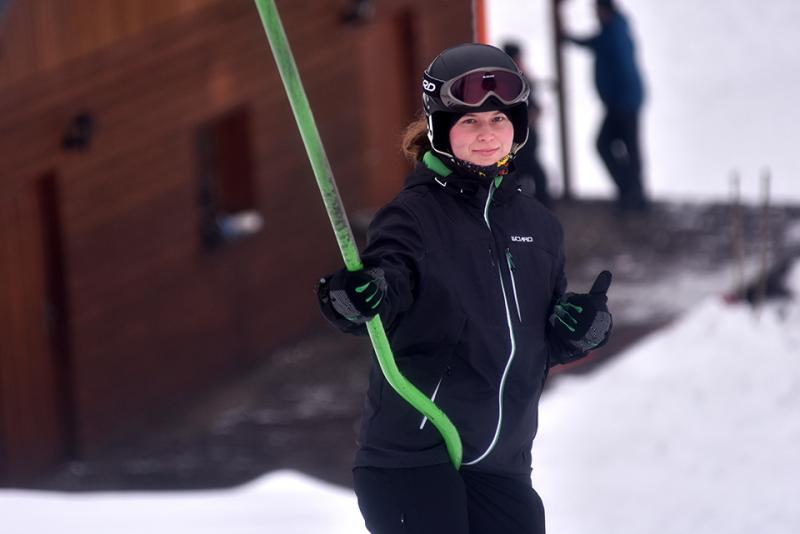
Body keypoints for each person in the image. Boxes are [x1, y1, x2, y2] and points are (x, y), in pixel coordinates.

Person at [316, 43, 613, 534]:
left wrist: (578, 329)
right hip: (415, 459)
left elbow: (536, 335)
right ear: (439, 128)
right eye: (469, 121)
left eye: (498, 119)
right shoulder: (413, 217)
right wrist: (355, 296)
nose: (487, 134)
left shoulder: (537, 225)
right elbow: (385, 285)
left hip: (501, 461)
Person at [561, 0, 648, 211]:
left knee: (608, 144)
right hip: (625, 101)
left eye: (597, 11)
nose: (595, 16)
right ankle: (633, 194)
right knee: (627, 148)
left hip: (622, 103)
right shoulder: (615, 29)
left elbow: (596, 44)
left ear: (604, 11)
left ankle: (631, 193)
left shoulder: (612, 33)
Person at [502, 41, 551, 207]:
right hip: (517, 136)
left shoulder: (519, 77)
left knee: (529, 172)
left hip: (525, 133)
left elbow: (531, 103)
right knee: (527, 171)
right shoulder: (507, 80)